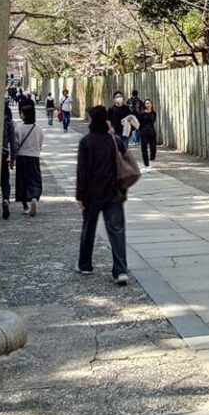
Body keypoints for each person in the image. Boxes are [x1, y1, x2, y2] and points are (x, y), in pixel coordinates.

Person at [75, 105, 131, 284]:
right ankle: (120, 270)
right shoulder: (114, 140)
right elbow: (125, 160)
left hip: (92, 194)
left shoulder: (86, 142)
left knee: (89, 228)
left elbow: (82, 171)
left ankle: (85, 264)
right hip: (113, 192)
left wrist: (80, 195)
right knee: (116, 231)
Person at [13, 97, 45, 216]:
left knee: (22, 181)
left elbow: (16, 145)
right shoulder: (38, 129)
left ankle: (25, 206)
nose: (20, 114)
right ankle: (34, 197)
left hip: (22, 157)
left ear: (25, 115)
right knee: (35, 179)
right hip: (34, 157)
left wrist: (13, 158)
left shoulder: (19, 129)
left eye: (21, 113)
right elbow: (40, 143)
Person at [0, 88, 18, 220]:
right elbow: (13, 141)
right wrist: (13, 159)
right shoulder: (8, 122)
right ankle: (6, 198)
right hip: (3, 152)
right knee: (5, 179)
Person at [136, 98, 160, 167]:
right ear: (144, 105)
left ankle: (152, 160)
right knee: (144, 149)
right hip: (144, 133)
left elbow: (153, 122)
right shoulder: (142, 113)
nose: (148, 104)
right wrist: (142, 130)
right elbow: (139, 123)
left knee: (153, 148)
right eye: (146, 103)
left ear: (151, 104)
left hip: (152, 132)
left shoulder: (153, 113)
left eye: (149, 103)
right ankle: (146, 164)